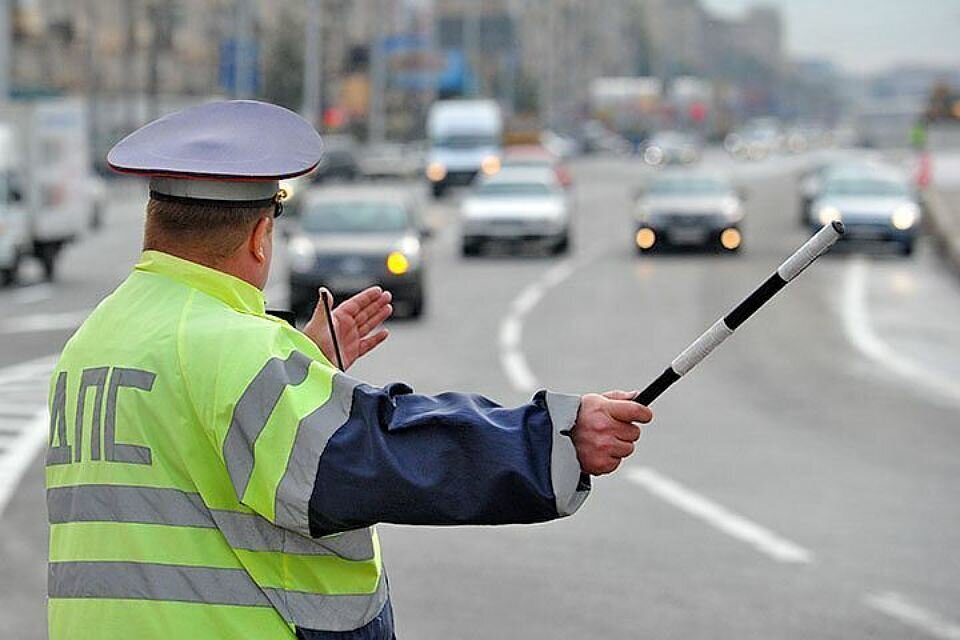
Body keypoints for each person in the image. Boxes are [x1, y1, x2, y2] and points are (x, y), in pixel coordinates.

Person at [45, 100, 653, 640]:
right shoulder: (232, 350)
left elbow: (196, 460)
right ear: (261, 236)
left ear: (154, 222)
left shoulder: (97, 338)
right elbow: (377, 454)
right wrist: (554, 438)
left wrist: (302, 369)